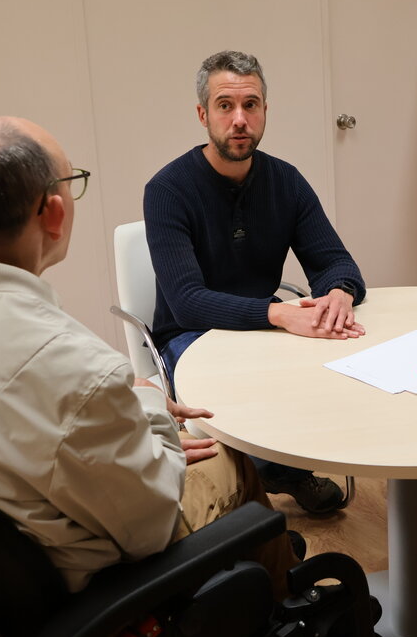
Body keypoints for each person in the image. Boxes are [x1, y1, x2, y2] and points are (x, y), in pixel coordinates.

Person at [0, 116, 299, 598]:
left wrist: (124, 421)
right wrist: (149, 414)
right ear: (54, 213)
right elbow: (151, 525)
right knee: (229, 460)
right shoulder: (76, 371)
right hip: (66, 590)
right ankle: (282, 604)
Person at [145, 50, 366, 515]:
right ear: (203, 114)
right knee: (249, 399)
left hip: (266, 329)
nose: (240, 119)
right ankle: (275, 480)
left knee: (350, 361)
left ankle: (270, 476)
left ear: (266, 111)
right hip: (191, 337)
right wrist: (280, 313)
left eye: (252, 105)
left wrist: (339, 294)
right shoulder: (167, 190)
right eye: (226, 106)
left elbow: (336, 263)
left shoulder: (286, 181)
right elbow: (186, 302)